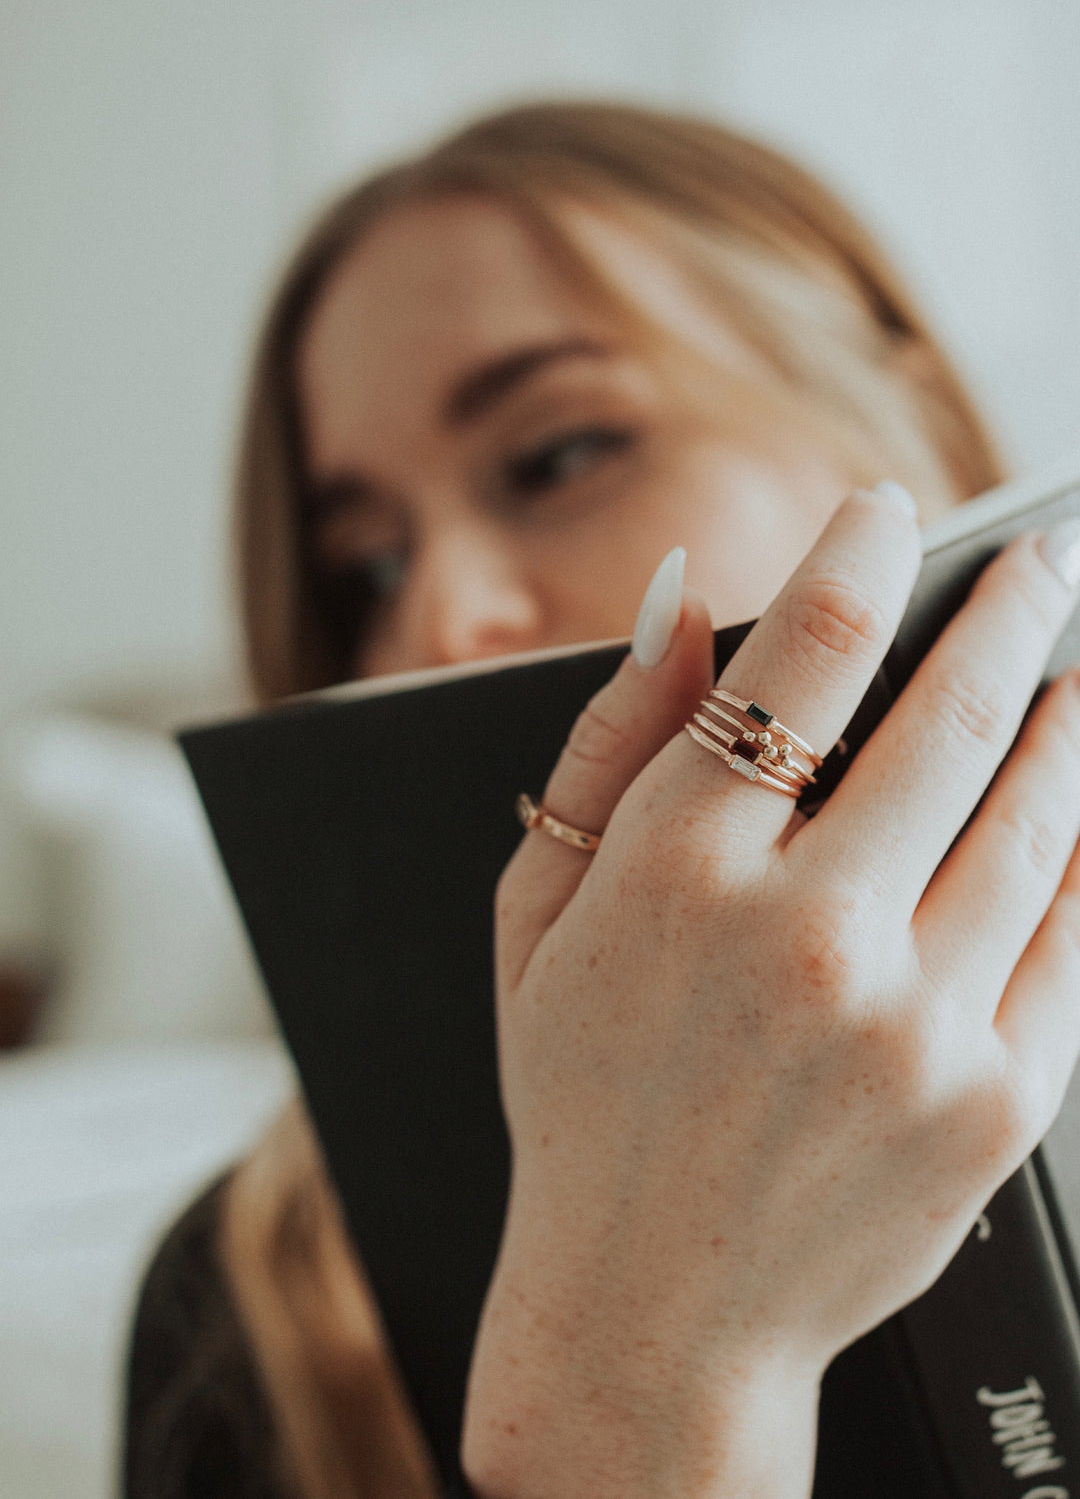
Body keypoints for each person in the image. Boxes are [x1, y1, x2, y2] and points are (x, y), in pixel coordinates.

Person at [123, 100, 1080, 1499]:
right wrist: (655, 1376)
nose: (438, 616)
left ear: (907, 421)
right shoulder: (255, 1298)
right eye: (367, 569)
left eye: (558, 454)